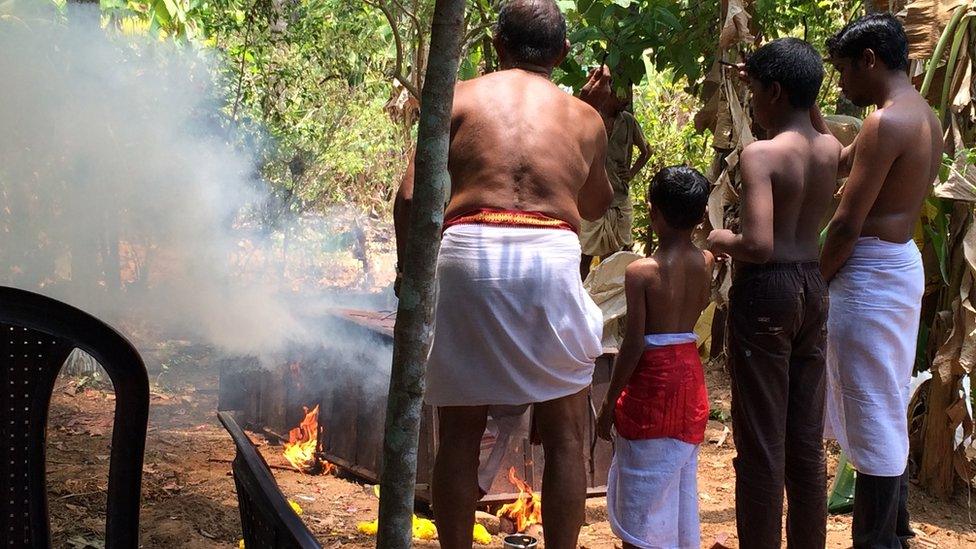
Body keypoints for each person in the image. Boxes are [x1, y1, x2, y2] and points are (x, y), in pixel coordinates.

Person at [392, 1, 613, 547]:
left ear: (496, 46)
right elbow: (597, 203)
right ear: (562, 54)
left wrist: (408, 279)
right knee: (564, 433)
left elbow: (410, 195)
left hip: (467, 253)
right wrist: (587, 121)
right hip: (549, 255)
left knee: (461, 433)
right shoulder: (584, 117)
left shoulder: (459, 95)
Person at [706, 38, 841, 548]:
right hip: (812, 283)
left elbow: (758, 244)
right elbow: (821, 131)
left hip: (768, 291)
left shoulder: (760, 154)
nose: (753, 104)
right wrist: (804, 97)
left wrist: (721, 238)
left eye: (757, 93)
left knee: (761, 443)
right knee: (804, 442)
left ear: (776, 92)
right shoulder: (828, 149)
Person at [816, 14, 942, 548]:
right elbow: (843, 163)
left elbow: (846, 220)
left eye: (844, 70)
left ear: (870, 60)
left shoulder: (884, 122)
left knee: (871, 408)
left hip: (868, 272)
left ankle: (876, 540)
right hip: (896, 266)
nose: (842, 84)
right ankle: (894, 530)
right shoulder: (923, 116)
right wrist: (811, 118)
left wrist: (814, 280)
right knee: (883, 400)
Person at [596, 166, 713, 549]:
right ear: (700, 216)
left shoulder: (640, 272)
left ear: (654, 212)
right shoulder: (707, 262)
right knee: (675, 482)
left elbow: (634, 342)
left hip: (652, 388)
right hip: (689, 382)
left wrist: (609, 402)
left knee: (640, 495)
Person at [579, 85, 651, 279]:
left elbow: (646, 151)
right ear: (609, 94)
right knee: (585, 252)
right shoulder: (590, 117)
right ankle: (584, 294)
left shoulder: (627, 121)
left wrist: (630, 172)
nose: (626, 100)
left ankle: (604, 297)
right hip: (590, 197)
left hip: (619, 196)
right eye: (622, 96)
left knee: (614, 256)